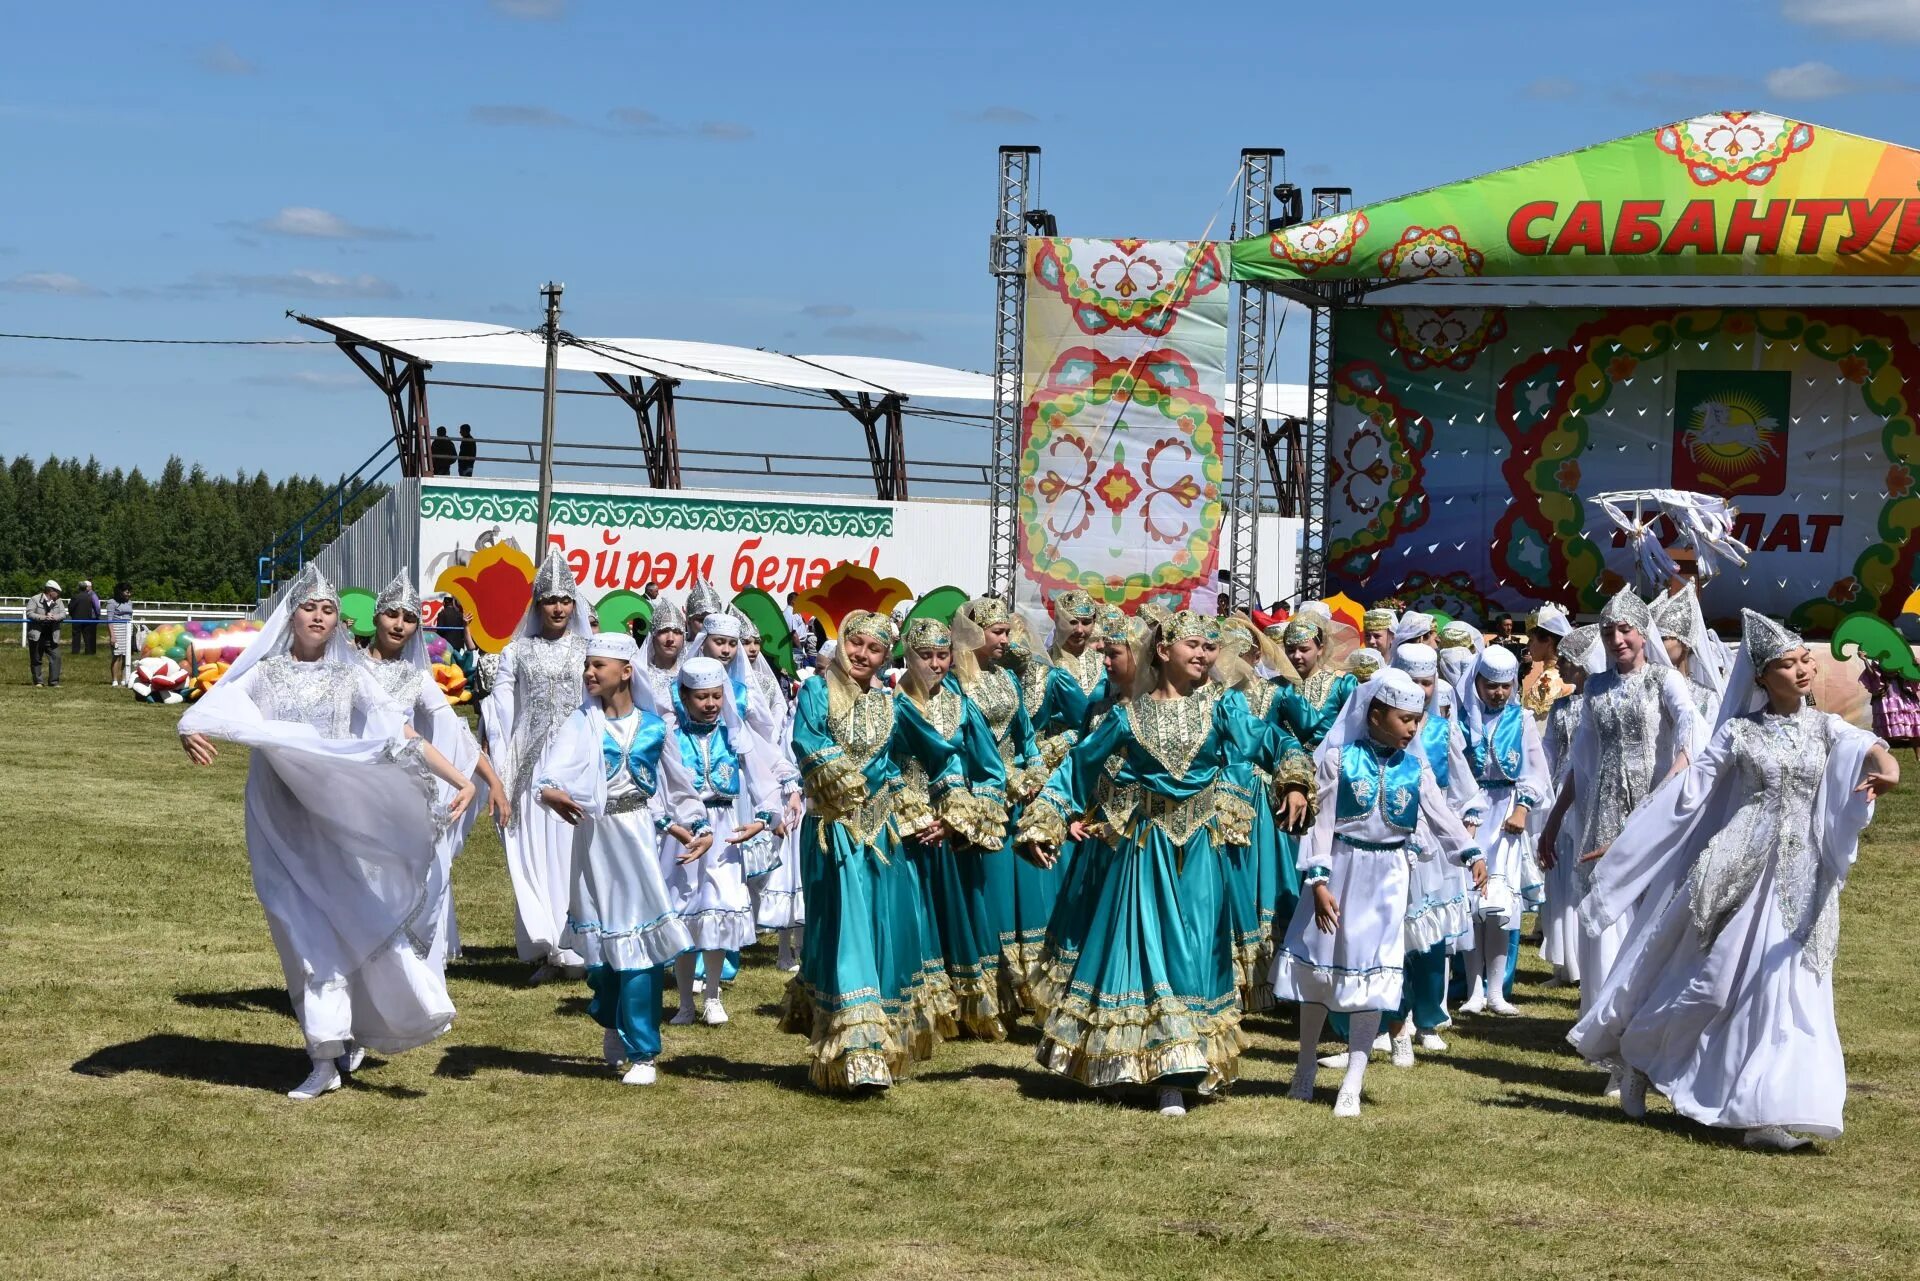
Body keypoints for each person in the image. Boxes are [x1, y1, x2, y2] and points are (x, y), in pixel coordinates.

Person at [1569, 610, 1900, 1150]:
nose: (1801, 672)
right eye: (1787, 665)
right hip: (1736, 871)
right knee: (1710, 984)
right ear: (1761, 677)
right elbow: (1687, 796)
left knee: (1784, 986)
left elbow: (1869, 750)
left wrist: (1886, 769)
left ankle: (1761, 1111)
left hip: (1801, 877)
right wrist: (1630, 841)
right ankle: (1639, 1056)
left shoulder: (1824, 727)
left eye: (1803, 662)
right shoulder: (1738, 732)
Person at [177, 564, 477, 1100]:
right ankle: (326, 1051)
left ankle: (338, 1043)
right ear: (290, 615)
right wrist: (187, 730)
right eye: (309, 607)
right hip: (278, 815)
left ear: (339, 621)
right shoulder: (264, 673)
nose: (318, 616)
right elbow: (213, 706)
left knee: (346, 921)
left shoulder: (350, 676)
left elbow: (400, 730)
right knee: (297, 928)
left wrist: (460, 777)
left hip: (335, 816)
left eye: (328, 610)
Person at [1019, 609, 1265, 1117]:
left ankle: (1179, 1064)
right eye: (1193, 644)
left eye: (1209, 646)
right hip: (1144, 849)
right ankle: (1165, 1076)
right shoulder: (1127, 717)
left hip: (1199, 849)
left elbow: (1264, 741)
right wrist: (1043, 823)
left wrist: (1291, 776)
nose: (1203, 654)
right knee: (1149, 950)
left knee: (1195, 950)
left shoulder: (1221, 707)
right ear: (1162, 650)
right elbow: (1077, 768)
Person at [1271, 669, 1486, 1117]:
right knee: (1321, 971)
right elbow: (1321, 823)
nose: (1412, 728)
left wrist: (1469, 852)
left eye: (1417, 720)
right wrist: (1319, 882)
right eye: (1404, 719)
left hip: (1389, 878)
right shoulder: (1339, 760)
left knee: (1376, 976)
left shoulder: (1414, 766)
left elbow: (1440, 813)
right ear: (1375, 714)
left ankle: (1354, 1079)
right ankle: (1305, 1064)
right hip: (1340, 871)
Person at [1539, 587, 1705, 1095]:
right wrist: (1553, 821)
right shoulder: (1595, 689)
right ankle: (1612, 1049)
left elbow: (1692, 736)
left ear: (1642, 633)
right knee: (1604, 926)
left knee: (1650, 924)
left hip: (1652, 817)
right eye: (1609, 632)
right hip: (1600, 817)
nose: (1617, 639)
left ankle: (1651, 1045)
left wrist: (1665, 795)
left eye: (1626, 629)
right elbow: (1580, 762)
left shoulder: (1664, 679)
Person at [781, 610, 950, 1092]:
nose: (862, 655)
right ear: (841, 644)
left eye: (874, 649)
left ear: (885, 657)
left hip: (881, 835)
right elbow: (806, 739)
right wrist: (838, 774)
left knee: (880, 931)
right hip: (831, 831)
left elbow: (920, 755)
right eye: (855, 644)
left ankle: (877, 1044)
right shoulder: (817, 690)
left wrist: (941, 800)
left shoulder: (889, 703)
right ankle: (855, 1052)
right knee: (844, 935)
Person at [536, 633, 706, 1084]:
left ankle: (644, 1051)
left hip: (637, 840)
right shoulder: (582, 722)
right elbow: (553, 770)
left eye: (599, 665)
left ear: (626, 671)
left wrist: (698, 826)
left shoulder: (654, 726)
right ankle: (612, 1021)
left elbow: (678, 785)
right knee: (605, 946)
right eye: (587, 665)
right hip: (594, 839)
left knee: (640, 942)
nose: (589, 673)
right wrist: (551, 791)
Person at [365, 571, 511, 967]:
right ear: (376, 616)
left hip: (403, 788)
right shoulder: (351, 670)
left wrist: (490, 780)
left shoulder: (416, 678)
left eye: (409, 618)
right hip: (357, 784)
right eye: (392, 615)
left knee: (408, 877)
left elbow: (452, 729)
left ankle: (403, 963)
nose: (399, 625)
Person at [892, 616, 1009, 1037]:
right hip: (904, 825)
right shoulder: (890, 704)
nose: (937, 664)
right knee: (913, 916)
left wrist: (961, 818)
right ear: (909, 656)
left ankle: (964, 1006)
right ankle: (919, 1009)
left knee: (957, 913)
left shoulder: (962, 706)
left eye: (943, 655)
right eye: (926, 656)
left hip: (952, 828)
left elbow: (992, 771)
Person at [482, 547, 594, 984]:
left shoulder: (588, 649)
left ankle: (578, 944)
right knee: (534, 851)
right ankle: (548, 945)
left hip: (575, 762)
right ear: (538, 604)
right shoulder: (518, 652)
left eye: (565, 600)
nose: (559, 607)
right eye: (550, 600)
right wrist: (501, 767)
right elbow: (503, 710)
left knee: (574, 852)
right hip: (530, 761)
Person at [661, 655, 780, 1026]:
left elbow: (766, 773)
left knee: (719, 909)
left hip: (725, 828)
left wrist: (762, 819)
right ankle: (684, 1001)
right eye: (702, 697)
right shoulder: (670, 737)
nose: (711, 704)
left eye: (716, 696)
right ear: (684, 697)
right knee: (684, 911)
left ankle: (712, 994)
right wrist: (670, 825)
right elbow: (658, 786)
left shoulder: (733, 734)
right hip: (683, 832)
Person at [951, 597, 1046, 1014]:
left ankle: (1015, 986)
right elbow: (966, 744)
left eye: (1007, 632)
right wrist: (1010, 778)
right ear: (974, 635)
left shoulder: (1006, 680)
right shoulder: (956, 683)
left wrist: (1037, 770)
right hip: (976, 800)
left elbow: (1026, 735)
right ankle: (982, 992)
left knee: (1013, 893)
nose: (1005, 640)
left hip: (1016, 798)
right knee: (983, 892)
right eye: (998, 632)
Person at [1454, 644, 1550, 1016]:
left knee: (1498, 907)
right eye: (1491, 685)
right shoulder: (1460, 721)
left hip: (1508, 817)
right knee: (1470, 905)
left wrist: (1524, 807)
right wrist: (1464, 814)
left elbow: (1536, 769)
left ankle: (1497, 990)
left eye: (1505, 686)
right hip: (1470, 818)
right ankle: (1473, 989)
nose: (1498, 693)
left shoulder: (1522, 719)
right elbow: (1454, 773)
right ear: (1476, 681)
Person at [1538, 624, 1600, 987]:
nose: (1560, 665)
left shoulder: (1595, 702)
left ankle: (1581, 960)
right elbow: (1549, 750)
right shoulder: (1561, 706)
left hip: (1586, 790)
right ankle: (1564, 964)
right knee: (1558, 872)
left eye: (1566, 660)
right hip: (1559, 790)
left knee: (1579, 872)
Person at [26, 581, 66, 687]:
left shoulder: (59, 601)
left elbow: (63, 614)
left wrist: (54, 617)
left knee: (56, 658)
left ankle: (54, 682)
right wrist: (43, 617)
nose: (58, 594)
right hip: (36, 635)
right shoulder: (34, 599)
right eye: (57, 592)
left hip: (52, 635)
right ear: (50, 591)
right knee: (36, 658)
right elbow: (29, 613)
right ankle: (38, 681)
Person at [106, 582, 136, 688]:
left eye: (130, 592)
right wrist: (112, 635)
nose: (129, 594)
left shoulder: (130, 602)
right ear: (120, 591)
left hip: (128, 629)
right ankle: (114, 680)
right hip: (117, 629)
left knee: (126, 656)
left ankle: (124, 678)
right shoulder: (112, 602)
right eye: (127, 592)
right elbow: (109, 620)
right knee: (117, 655)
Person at [69, 580, 101, 655]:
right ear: (86, 588)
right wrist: (97, 615)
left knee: (76, 636)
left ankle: (75, 651)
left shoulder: (75, 596)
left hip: (77, 619)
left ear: (79, 588)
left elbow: (71, 607)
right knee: (87, 636)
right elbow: (95, 607)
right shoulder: (90, 597)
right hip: (88, 618)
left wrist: (72, 615)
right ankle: (89, 651)